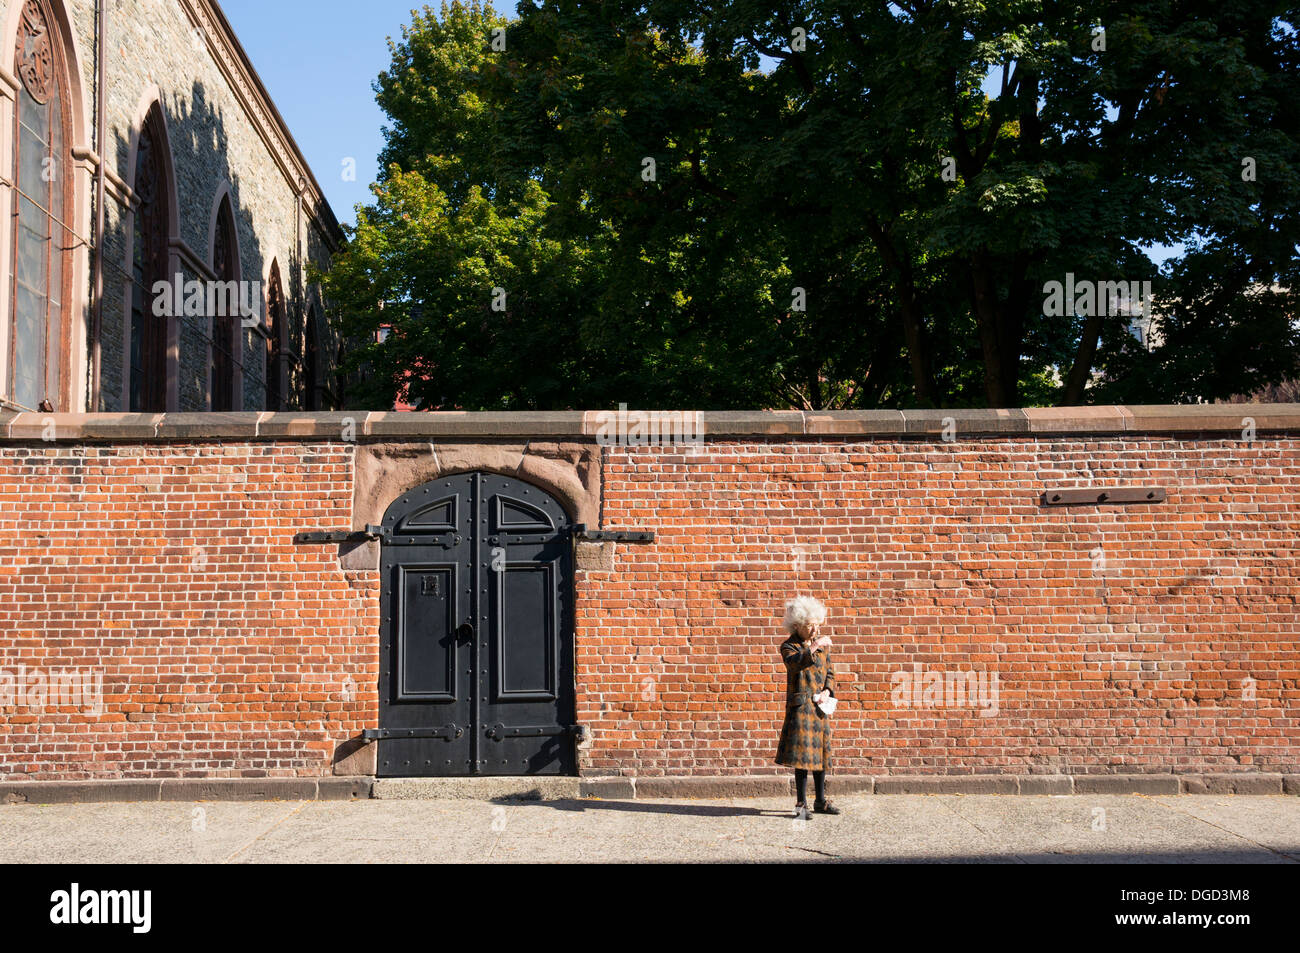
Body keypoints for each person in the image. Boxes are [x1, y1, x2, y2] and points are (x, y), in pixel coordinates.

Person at [775, 596, 841, 819]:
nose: (815, 629)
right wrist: (814, 646)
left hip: (820, 708)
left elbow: (830, 673)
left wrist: (827, 691)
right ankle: (801, 805)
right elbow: (795, 663)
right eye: (810, 625)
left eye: (818, 625)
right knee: (802, 760)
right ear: (797, 625)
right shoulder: (789, 647)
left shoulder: (822, 648)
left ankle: (821, 801)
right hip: (801, 709)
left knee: (821, 757)